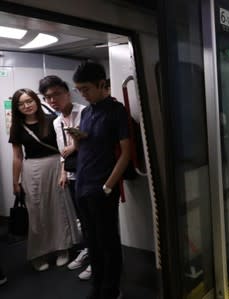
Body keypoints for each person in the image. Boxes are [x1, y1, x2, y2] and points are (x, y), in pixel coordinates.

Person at [71, 61, 130, 299]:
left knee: (108, 241)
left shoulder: (116, 111)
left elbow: (126, 152)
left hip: (102, 185)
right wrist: (80, 136)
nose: (83, 94)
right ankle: (98, 284)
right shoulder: (86, 112)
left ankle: (111, 288)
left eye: (86, 89)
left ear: (101, 84)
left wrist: (108, 186)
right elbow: (90, 143)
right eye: (79, 90)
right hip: (82, 183)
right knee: (92, 240)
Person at [8, 88, 80, 271]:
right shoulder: (17, 127)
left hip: (56, 166)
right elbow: (17, 156)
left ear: (36, 101)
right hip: (31, 169)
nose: (27, 106)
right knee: (37, 212)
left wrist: (64, 171)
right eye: (22, 103)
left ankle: (62, 248)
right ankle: (38, 253)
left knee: (59, 208)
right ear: (17, 107)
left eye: (29, 101)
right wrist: (15, 181)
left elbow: (64, 148)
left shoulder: (51, 121)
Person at [38, 75, 91, 281]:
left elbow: (90, 144)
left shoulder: (85, 112)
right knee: (82, 218)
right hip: (72, 173)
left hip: (90, 173)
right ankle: (88, 249)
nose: (52, 100)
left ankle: (98, 257)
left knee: (95, 220)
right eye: (47, 97)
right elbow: (63, 152)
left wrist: (75, 146)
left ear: (67, 93)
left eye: (56, 94)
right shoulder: (57, 121)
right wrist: (63, 171)